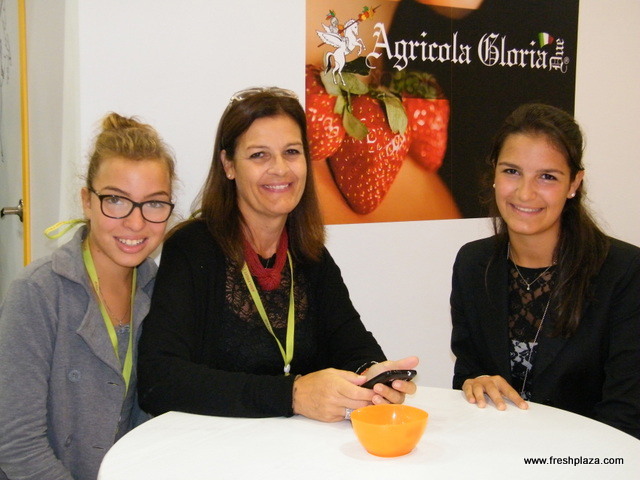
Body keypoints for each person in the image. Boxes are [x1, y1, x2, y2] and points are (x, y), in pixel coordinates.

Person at [137, 87, 418, 423]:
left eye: (291, 152)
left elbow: (353, 345)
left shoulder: (311, 255)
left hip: (297, 449)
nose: (280, 169)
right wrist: (292, 395)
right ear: (228, 165)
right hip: (214, 448)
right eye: (259, 155)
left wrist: (373, 377)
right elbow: (158, 381)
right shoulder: (192, 248)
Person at [0, 113, 176, 480]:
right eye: (116, 200)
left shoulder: (161, 290)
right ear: (87, 201)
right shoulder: (37, 293)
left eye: (154, 203)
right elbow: (16, 445)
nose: (136, 222)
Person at [450, 103, 640, 438]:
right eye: (512, 171)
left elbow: (626, 415)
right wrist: (475, 384)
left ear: (574, 183)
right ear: (494, 174)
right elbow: (467, 376)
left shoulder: (624, 272)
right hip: (495, 451)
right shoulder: (473, 263)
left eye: (547, 177)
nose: (525, 192)